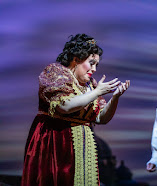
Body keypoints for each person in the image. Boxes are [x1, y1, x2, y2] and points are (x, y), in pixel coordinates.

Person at [21, 33, 130, 186]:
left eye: (96, 65)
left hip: (83, 147)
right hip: (56, 143)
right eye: (91, 63)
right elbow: (64, 106)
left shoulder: (90, 85)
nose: (94, 69)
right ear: (76, 59)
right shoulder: (56, 73)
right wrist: (97, 92)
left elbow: (101, 118)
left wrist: (115, 98)